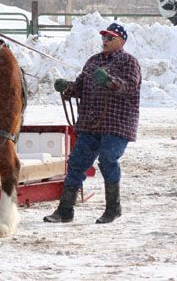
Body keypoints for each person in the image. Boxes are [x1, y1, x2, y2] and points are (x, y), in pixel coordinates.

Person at [45, 22, 141, 224]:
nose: (105, 41)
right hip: (90, 123)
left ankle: (113, 208)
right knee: (76, 164)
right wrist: (67, 88)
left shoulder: (129, 62)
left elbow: (129, 87)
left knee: (108, 160)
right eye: (104, 37)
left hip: (116, 124)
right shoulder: (92, 62)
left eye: (110, 38)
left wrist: (109, 81)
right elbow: (79, 87)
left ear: (121, 41)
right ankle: (65, 210)